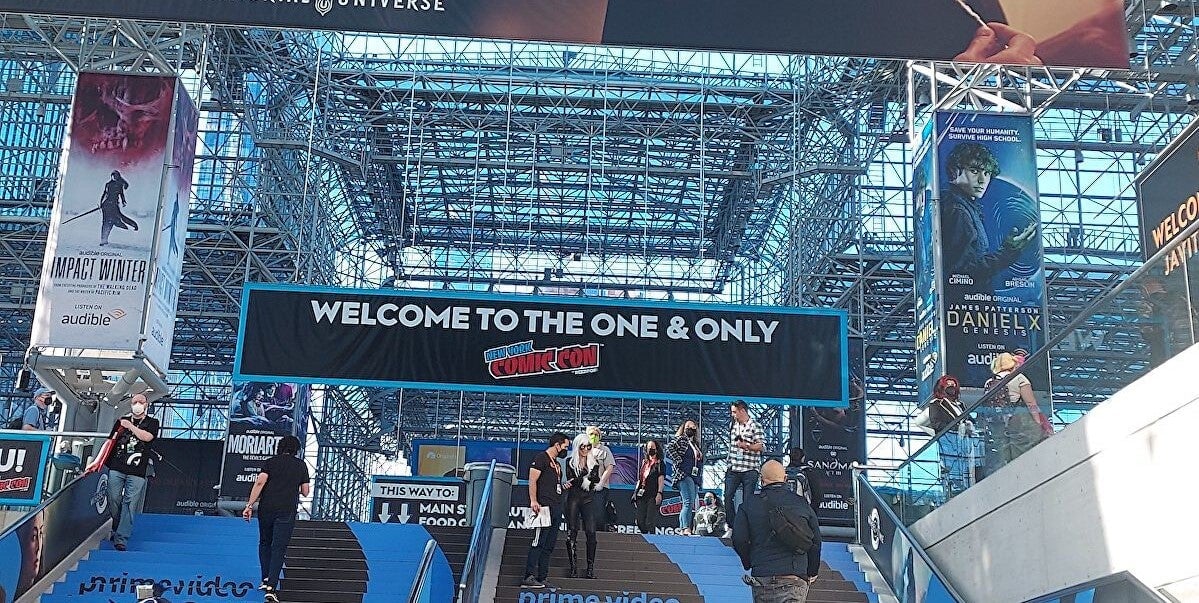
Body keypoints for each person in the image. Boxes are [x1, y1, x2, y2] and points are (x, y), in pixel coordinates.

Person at [939, 142, 1036, 285]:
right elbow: (962, 273)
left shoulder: (963, 206)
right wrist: (1008, 252)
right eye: (974, 171)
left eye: (987, 173)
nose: (982, 180)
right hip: (967, 301)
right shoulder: (957, 210)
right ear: (954, 171)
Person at [733, 460, 822, 603]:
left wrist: (749, 561)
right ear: (785, 479)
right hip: (794, 576)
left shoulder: (748, 505)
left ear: (761, 481)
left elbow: (739, 539)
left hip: (762, 576)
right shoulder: (802, 503)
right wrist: (812, 571)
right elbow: (816, 541)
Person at [242, 435, 310, 603]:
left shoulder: (271, 462)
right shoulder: (301, 465)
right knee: (278, 547)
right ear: (296, 449)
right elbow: (306, 491)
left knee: (265, 542)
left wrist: (249, 505)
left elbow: (260, 483)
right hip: (286, 510)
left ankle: (265, 579)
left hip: (267, 508)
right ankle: (272, 587)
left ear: (280, 447)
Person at [101, 393, 159, 551]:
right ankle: (118, 524)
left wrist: (131, 427)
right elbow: (110, 440)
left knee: (130, 502)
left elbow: (147, 437)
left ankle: (121, 537)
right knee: (113, 497)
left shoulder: (152, 422)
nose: (138, 404)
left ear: (146, 405)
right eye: (135, 402)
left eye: (141, 402)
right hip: (117, 466)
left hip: (138, 470)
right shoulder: (121, 421)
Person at [981, 352, 1053, 475]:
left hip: (998, 425)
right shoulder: (1019, 378)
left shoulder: (989, 382)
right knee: (1024, 455)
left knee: (1006, 457)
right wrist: (1038, 423)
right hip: (1017, 422)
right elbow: (1031, 403)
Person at [522, 432, 570, 590]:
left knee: (549, 544)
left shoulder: (556, 464)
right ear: (557, 444)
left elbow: (553, 485)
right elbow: (532, 480)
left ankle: (542, 576)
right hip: (543, 507)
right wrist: (534, 501)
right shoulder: (541, 458)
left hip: (556, 507)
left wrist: (564, 487)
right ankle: (529, 575)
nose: (566, 450)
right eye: (565, 446)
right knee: (538, 541)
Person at [725, 400, 764, 538]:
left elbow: (761, 446)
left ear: (742, 411)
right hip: (734, 467)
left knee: (747, 500)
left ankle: (746, 528)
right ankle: (731, 525)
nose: (733, 414)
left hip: (749, 468)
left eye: (735, 412)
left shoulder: (755, 426)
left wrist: (746, 446)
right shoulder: (733, 425)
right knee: (727, 497)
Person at [563, 433, 600, 579]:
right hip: (573, 498)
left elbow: (595, 480)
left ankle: (590, 568)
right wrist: (585, 479)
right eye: (582, 446)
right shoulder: (570, 462)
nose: (585, 449)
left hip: (588, 499)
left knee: (591, 532)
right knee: (572, 530)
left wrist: (584, 480)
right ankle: (573, 567)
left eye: (588, 446)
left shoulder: (594, 462)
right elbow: (572, 480)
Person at [667, 419, 703, 535]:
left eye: (693, 427)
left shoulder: (696, 444)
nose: (690, 429)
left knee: (690, 502)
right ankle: (685, 527)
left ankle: (685, 527)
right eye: (688, 426)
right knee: (687, 502)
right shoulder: (682, 440)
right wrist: (678, 461)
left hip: (695, 476)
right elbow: (669, 448)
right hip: (684, 474)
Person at [585, 426, 616, 532]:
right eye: (591, 434)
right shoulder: (583, 450)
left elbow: (610, 467)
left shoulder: (605, 450)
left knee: (598, 514)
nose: (593, 436)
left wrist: (601, 483)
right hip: (585, 487)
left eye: (596, 434)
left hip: (600, 488)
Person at [633, 440, 665, 535]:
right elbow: (640, 478)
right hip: (642, 493)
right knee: (639, 521)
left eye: (652, 448)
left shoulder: (660, 463)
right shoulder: (644, 463)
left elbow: (661, 478)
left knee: (649, 521)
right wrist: (635, 493)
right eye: (649, 448)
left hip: (653, 493)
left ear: (656, 449)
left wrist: (659, 493)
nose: (650, 449)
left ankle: (651, 538)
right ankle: (645, 535)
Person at [99, 170, 138, 246]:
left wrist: (123, 201)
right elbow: (104, 194)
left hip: (114, 205)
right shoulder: (108, 184)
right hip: (106, 205)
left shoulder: (119, 185)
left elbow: (121, 194)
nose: (114, 177)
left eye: (115, 176)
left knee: (116, 219)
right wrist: (101, 203)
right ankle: (104, 239)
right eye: (113, 175)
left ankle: (133, 225)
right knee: (106, 222)